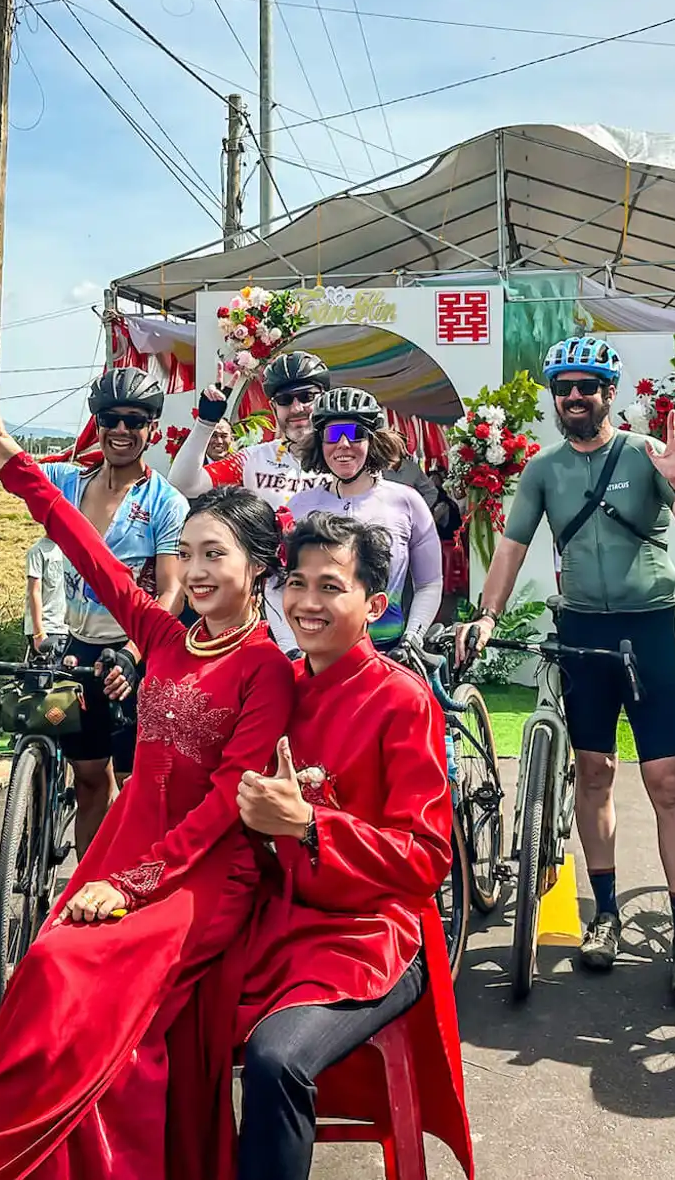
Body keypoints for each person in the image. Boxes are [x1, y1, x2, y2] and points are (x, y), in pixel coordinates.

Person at [0, 338, 296, 1180]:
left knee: (73, 974)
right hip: (131, 840)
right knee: (41, 971)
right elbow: (86, 551)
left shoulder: (265, 669)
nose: (195, 571)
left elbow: (228, 801)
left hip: (205, 869)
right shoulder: (166, 637)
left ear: (257, 568)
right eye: (187, 554)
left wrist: (130, 886)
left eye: (215, 556)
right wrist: (17, 467)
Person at [454, 335, 675, 1004]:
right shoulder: (543, 469)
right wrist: (487, 615)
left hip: (647, 631)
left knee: (666, 783)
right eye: (564, 387)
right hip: (581, 634)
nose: (574, 397)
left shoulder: (646, 453)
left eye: (587, 386)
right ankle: (604, 914)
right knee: (593, 773)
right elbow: (511, 548)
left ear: (609, 393)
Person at [233, 512, 472, 1180]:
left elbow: (427, 858)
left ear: (374, 605)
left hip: (372, 937)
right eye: (297, 583)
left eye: (331, 587)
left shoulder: (402, 701)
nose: (307, 602)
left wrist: (310, 826)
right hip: (275, 925)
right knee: (149, 1017)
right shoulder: (276, 686)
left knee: (277, 1060)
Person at [50, 367, 189, 853]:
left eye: (135, 420)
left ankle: (128, 884)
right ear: (98, 424)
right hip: (78, 649)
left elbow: (172, 591)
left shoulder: (165, 502)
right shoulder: (67, 482)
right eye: (111, 419)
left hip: (136, 655)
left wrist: (133, 653)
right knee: (89, 779)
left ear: (152, 428)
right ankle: (80, 887)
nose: (122, 430)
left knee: (134, 786)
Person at [169, 351, 333, 650]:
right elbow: (185, 483)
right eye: (285, 400)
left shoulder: (344, 457)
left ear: (324, 399)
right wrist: (206, 423)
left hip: (332, 600)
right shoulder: (254, 459)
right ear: (273, 408)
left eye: (307, 397)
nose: (297, 408)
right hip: (270, 607)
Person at [282, 388, 443, 653]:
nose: (344, 443)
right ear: (320, 443)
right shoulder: (299, 506)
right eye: (333, 434)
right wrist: (290, 648)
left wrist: (412, 639)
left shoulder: (407, 501)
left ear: (373, 440)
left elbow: (429, 583)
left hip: (388, 651)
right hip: (316, 652)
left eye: (355, 433)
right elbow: (278, 584)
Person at [24, 534, 70, 663]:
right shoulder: (37, 551)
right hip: (47, 628)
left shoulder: (72, 549)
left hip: (68, 628)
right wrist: (38, 632)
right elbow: (34, 591)